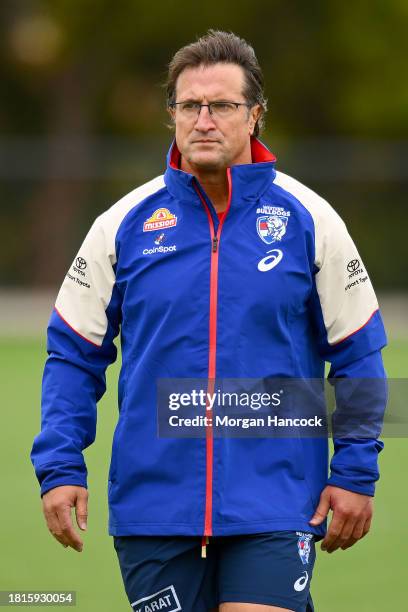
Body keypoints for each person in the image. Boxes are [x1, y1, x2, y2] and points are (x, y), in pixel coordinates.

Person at [31, 30, 387, 612]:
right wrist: (60, 464)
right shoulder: (120, 225)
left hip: (276, 499)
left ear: (255, 116)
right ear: (171, 114)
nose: (203, 120)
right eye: (188, 105)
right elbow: (72, 354)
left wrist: (355, 472)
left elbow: (360, 355)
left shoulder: (311, 219)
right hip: (154, 508)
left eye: (222, 105)